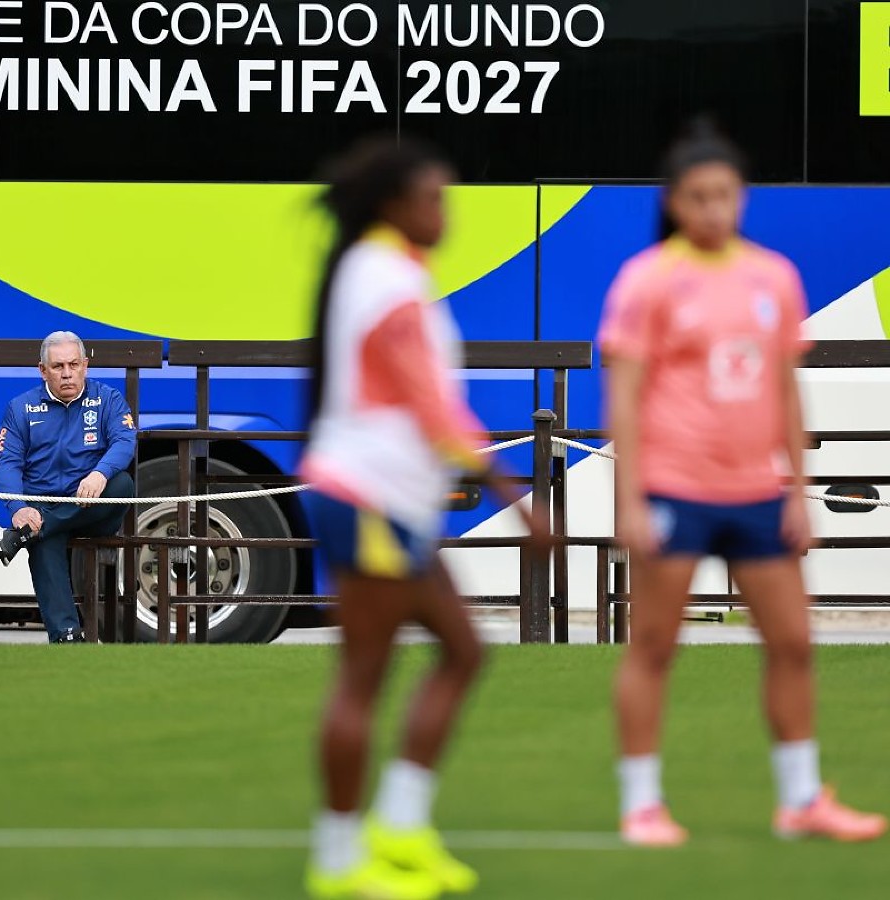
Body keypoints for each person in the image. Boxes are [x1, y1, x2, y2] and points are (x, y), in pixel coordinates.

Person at [598, 120, 887, 846]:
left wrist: (797, 487)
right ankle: (642, 806)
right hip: (673, 488)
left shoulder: (773, 276)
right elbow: (624, 396)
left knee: (792, 641)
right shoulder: (648, 280)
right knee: (654, 646)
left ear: (742, 197)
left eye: (725, 195)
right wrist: (629, 498)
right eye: (698, 197)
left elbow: (786, 390)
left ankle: (800, 801)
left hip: (758, 492)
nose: (714, 210)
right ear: (675, 202)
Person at [300, 137, 547, 900]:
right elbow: (431, 404)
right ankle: (338, 861)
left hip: (389, 497)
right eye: (434, 196)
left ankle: (400, 829)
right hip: (369, 497)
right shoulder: (385, 276)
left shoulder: (384, 268)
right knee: (364, 679)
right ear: (392, 204)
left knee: (464, 650)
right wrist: (513, 494)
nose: (447, 211)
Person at [0, 331, 137, 643]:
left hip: (94, 510)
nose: (68, 373)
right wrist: (18, 510)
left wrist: (100, 474)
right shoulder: (21, 408)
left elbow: (126, 442)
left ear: (86, 365)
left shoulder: (108, 399)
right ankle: (67, 637)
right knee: (43, 532)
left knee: (123, 483)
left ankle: (33, 530)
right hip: (42, 503)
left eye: (74, 364)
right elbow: (7, 463)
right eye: (58, 366)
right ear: (42, 370)